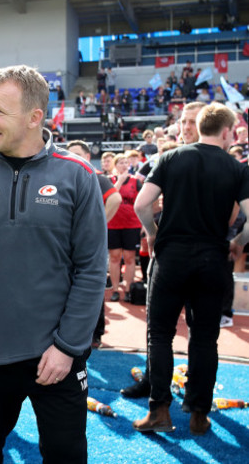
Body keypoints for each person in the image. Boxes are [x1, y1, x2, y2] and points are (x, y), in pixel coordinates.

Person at [0, 65, 107, 463]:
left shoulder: (77, 176)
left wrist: (66, 347)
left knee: (65, 455)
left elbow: (92, 269)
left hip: (56, 355)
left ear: (34, 117)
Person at [132, 102, 249, 436]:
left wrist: (153, 234)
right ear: (227, 132)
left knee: (160, 335)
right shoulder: (236, 167)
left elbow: (143, 204)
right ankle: (199, 413)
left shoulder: (171, 158)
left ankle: (159, 411)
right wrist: (238, 241)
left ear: (198, 127)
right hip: (213, 258)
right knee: (204, 339)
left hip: (172, 257)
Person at [66, 140, 121, 347]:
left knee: (89, 286)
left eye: (77, 154)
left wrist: (99, 226)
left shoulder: (94, 175)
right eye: (70, 154)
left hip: (88, 246)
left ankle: (95, 334)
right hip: (69, 244)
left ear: (88, 156)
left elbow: (114, 199)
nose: (73, 157)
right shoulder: (68, 175)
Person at [107, 154, 143, 302]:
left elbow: (142, 203)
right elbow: (108, 197)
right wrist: (119, 181)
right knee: (114, 257)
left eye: (126, 162)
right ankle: (115, 289)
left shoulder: (136, 182)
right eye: (120, 162)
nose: (123, 165)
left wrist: (143, 224)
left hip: (131, 224)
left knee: (129, 258)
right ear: (115, 165)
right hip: (113, 224)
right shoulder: (110, 180)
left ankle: (128, 289)